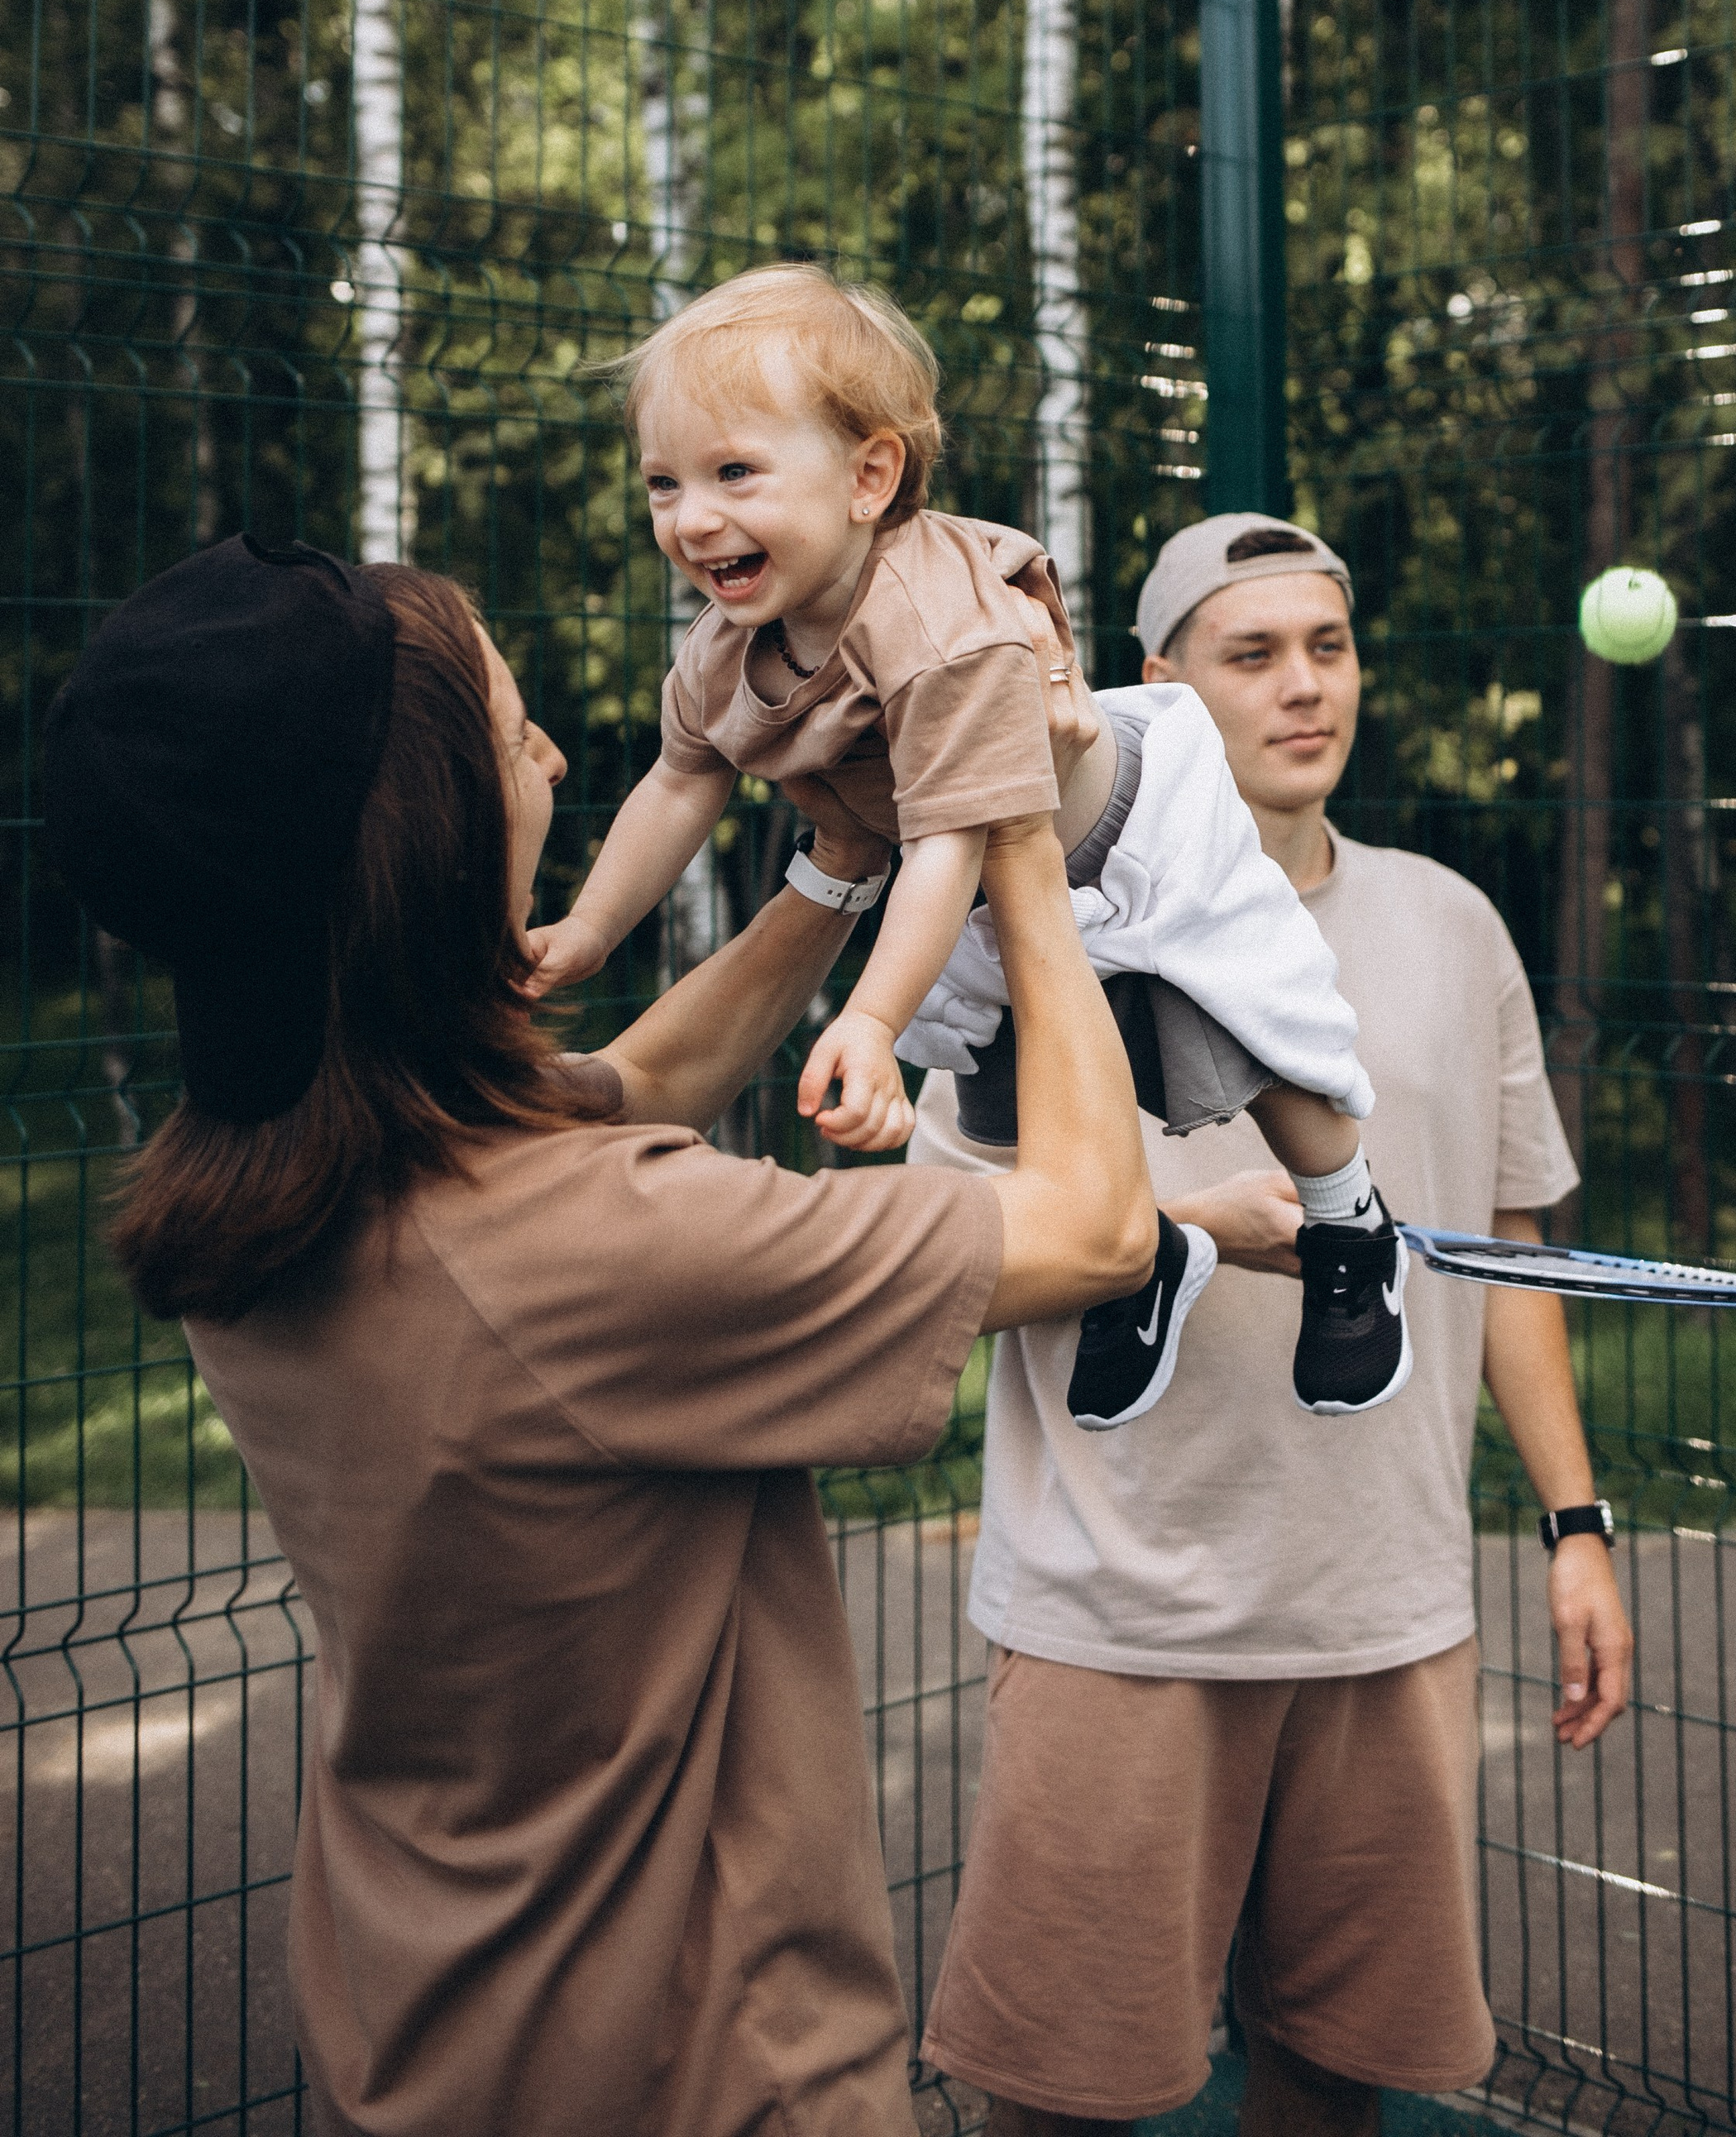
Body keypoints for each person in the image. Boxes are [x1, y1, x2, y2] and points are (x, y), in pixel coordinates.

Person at [40, 531, 1160, 2137]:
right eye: (512, 734)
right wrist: (1010, 833)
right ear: (418, 833)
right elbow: (1098, 1226)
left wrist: (837, 867)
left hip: (430, 2006)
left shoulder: (267, 1177)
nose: (559, 755)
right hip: (703, 2060)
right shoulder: (587, 1253)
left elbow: (631, 1091)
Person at [913, 511, 1637, 2137]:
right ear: (1158, 688)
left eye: (1328, 647)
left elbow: (1503, 1255)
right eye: (1252, 655)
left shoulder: (1454, 924)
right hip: (1123, 1614)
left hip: (1386, 1612)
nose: (1303, 688)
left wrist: (1572, 1523)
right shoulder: (1037, 935)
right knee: (1062, 2096)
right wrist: (1175, 1232)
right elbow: (928, 1249)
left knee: (1335, 2074)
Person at [526, 265, 1412, 1427]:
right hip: (986, 875)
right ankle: (1140, 1259)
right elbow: (682, 778)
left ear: (870, 476)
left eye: (734, 472)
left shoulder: (941, 628)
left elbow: (948, 837)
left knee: (1241, 1032)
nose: (692, 517)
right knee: (1013, 1109)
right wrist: (590, 930)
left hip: (1129, 837)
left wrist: (874, 1020)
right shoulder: (728, 645)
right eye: (664, 483)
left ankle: (1351, 1221)